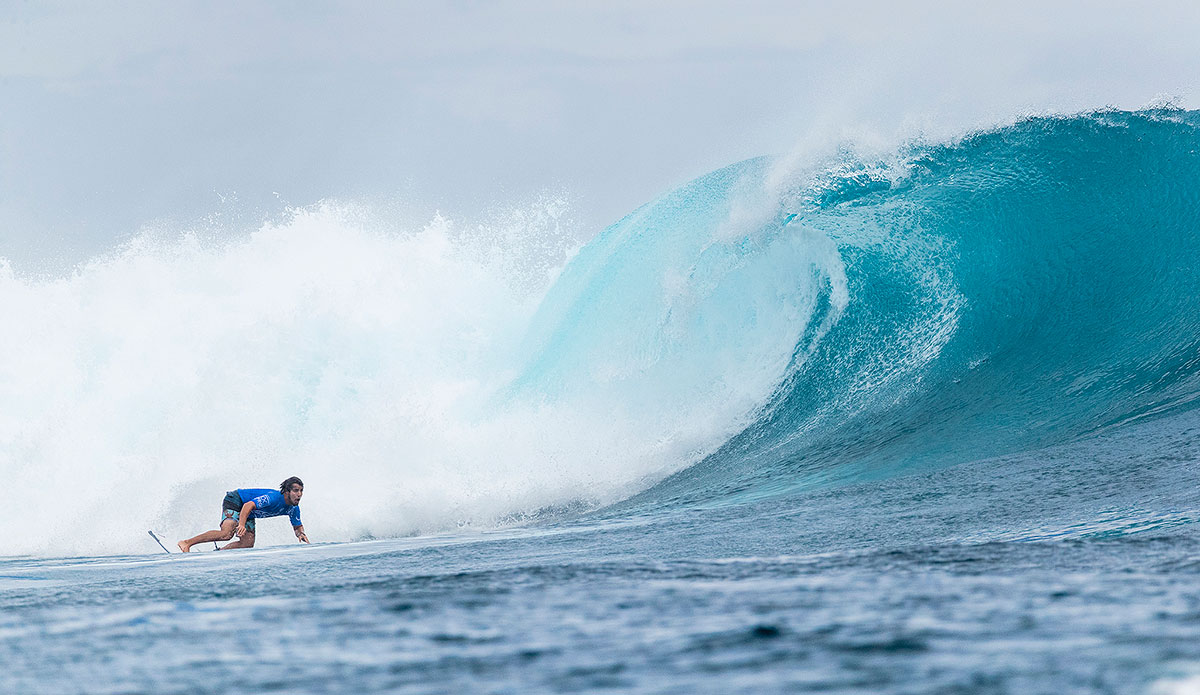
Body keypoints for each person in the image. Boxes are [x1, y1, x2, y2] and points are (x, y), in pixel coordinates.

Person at [177, 476, 309, 552]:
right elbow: (248, 505)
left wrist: (301, 534)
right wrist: (241, 524)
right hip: (237, 500)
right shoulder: (273, 498)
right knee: (226, 534)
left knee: (247, 543)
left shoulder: (293, 508)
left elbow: (297, 527)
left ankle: (220, 553)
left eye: (301, 491)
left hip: (249, 513)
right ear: (286, 492)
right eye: (296, 491)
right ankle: (187, 543)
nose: (299, 494)